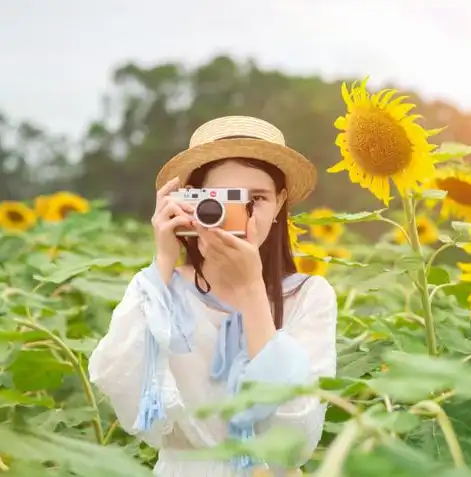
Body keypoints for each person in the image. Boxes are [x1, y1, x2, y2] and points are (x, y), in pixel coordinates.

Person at [88, 115, 337, 477]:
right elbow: (129, 398)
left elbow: (296, 435)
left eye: (257, 199)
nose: (240, 213)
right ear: (192, 200)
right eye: (223, 198)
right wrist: (164, 260)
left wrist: (251, 288)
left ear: (281, 202)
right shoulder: (159, 290)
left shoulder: (308, 296)